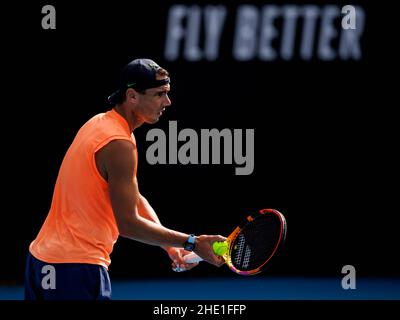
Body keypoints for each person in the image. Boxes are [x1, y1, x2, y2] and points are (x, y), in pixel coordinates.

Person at [25, 58, 226, 300]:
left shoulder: (100, 124)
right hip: (76, 270)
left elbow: (134, 198)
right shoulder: (119, 144)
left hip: (41, 262)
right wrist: (193, 243)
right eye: (159, 94)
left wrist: (172, 247)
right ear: (132, 96)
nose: (167, 102)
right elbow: (128, 224)